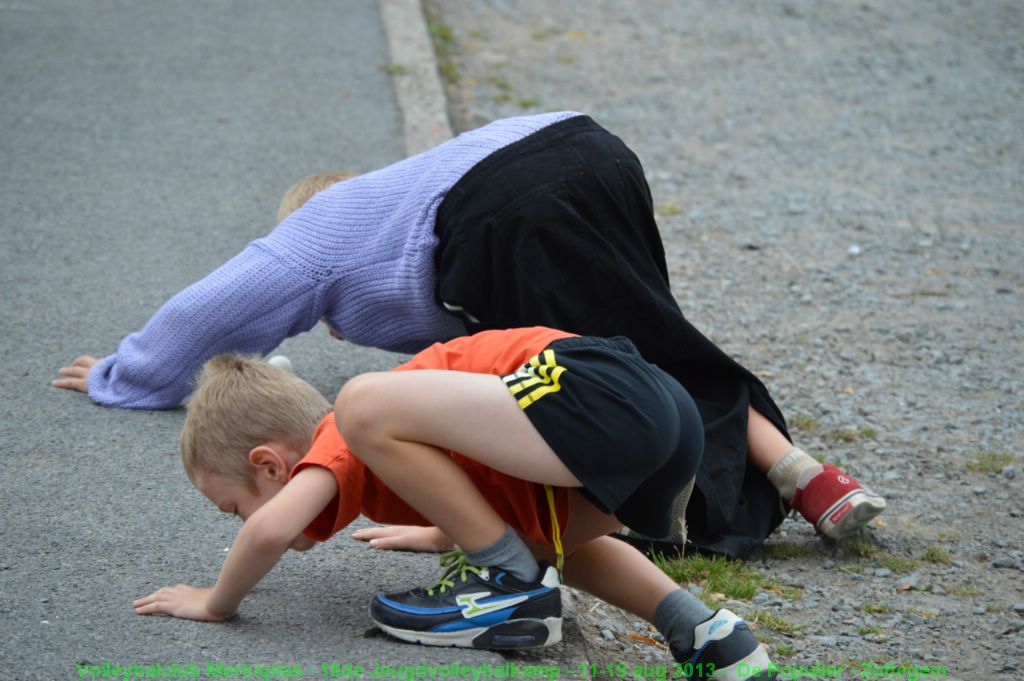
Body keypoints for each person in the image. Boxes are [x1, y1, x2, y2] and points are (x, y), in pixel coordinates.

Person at [54, 111, 885, 557]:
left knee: (609, 395)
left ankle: (648, 521)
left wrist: (129, 375)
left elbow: (219, 304)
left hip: (514, 205)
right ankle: (809, 476)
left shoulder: (322, 227)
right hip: (587, 148)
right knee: (648, 349)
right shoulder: (399, 201)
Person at [133, 327, 781, 679]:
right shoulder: (402, 461)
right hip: (658, 432)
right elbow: (485, 479)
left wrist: (215, 601)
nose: (241, 522)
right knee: (542, 539)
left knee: (363, 398)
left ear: (271, 464)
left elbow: (272, 529)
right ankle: (708, 634)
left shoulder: (344, 434)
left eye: (231, 508)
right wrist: (448, 530)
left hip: (599, 387)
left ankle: (504, 578)